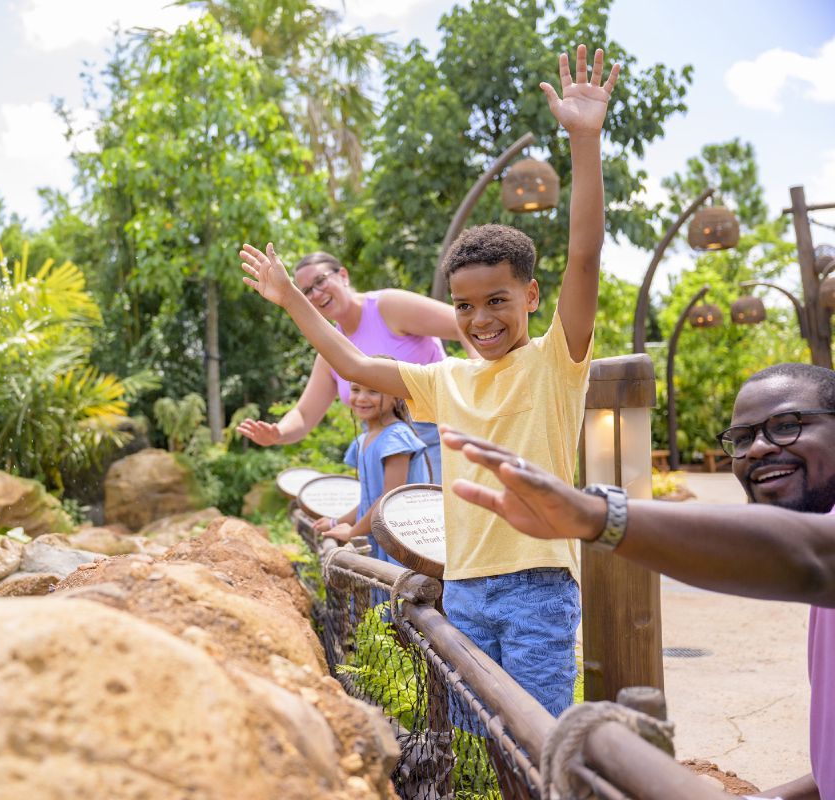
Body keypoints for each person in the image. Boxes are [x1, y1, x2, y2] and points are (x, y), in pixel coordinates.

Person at [239, 44, 620, 717]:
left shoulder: (554, 361)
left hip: (538, 585)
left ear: (531, 296)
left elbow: (584, 255)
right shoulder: (443, 380)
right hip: (466, 584)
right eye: (465, 306)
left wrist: (584, 141)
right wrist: (290, 301)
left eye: (497, 300)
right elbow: (351, 363)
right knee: (476, 740)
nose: (479, 318)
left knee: (538, 737)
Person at [439, 361, 835, 800]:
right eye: (742, 439)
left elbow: (807, 553)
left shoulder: (821, 554)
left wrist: (595, 516)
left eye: (787, 426)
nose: (758, 448)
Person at [235, 250, 478, 483]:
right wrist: (277, 433)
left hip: (439, 436)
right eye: (306, 291)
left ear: (343, 275)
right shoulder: (333, 351)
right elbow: (304, 414)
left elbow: (464, 323)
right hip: (382, 451)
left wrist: (478, 373)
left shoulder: (388, 306)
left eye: (320, 280)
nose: (316, 293)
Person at [313, 377, 438, 562]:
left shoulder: (396, 438)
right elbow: (369, 501)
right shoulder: (364, 439)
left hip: (399, 542)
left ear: (396, 397)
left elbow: (387, 500)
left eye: (373, 391)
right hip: (377, 537)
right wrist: (336, 522)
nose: (362, 398)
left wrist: (353, 532)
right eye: (355, 390)